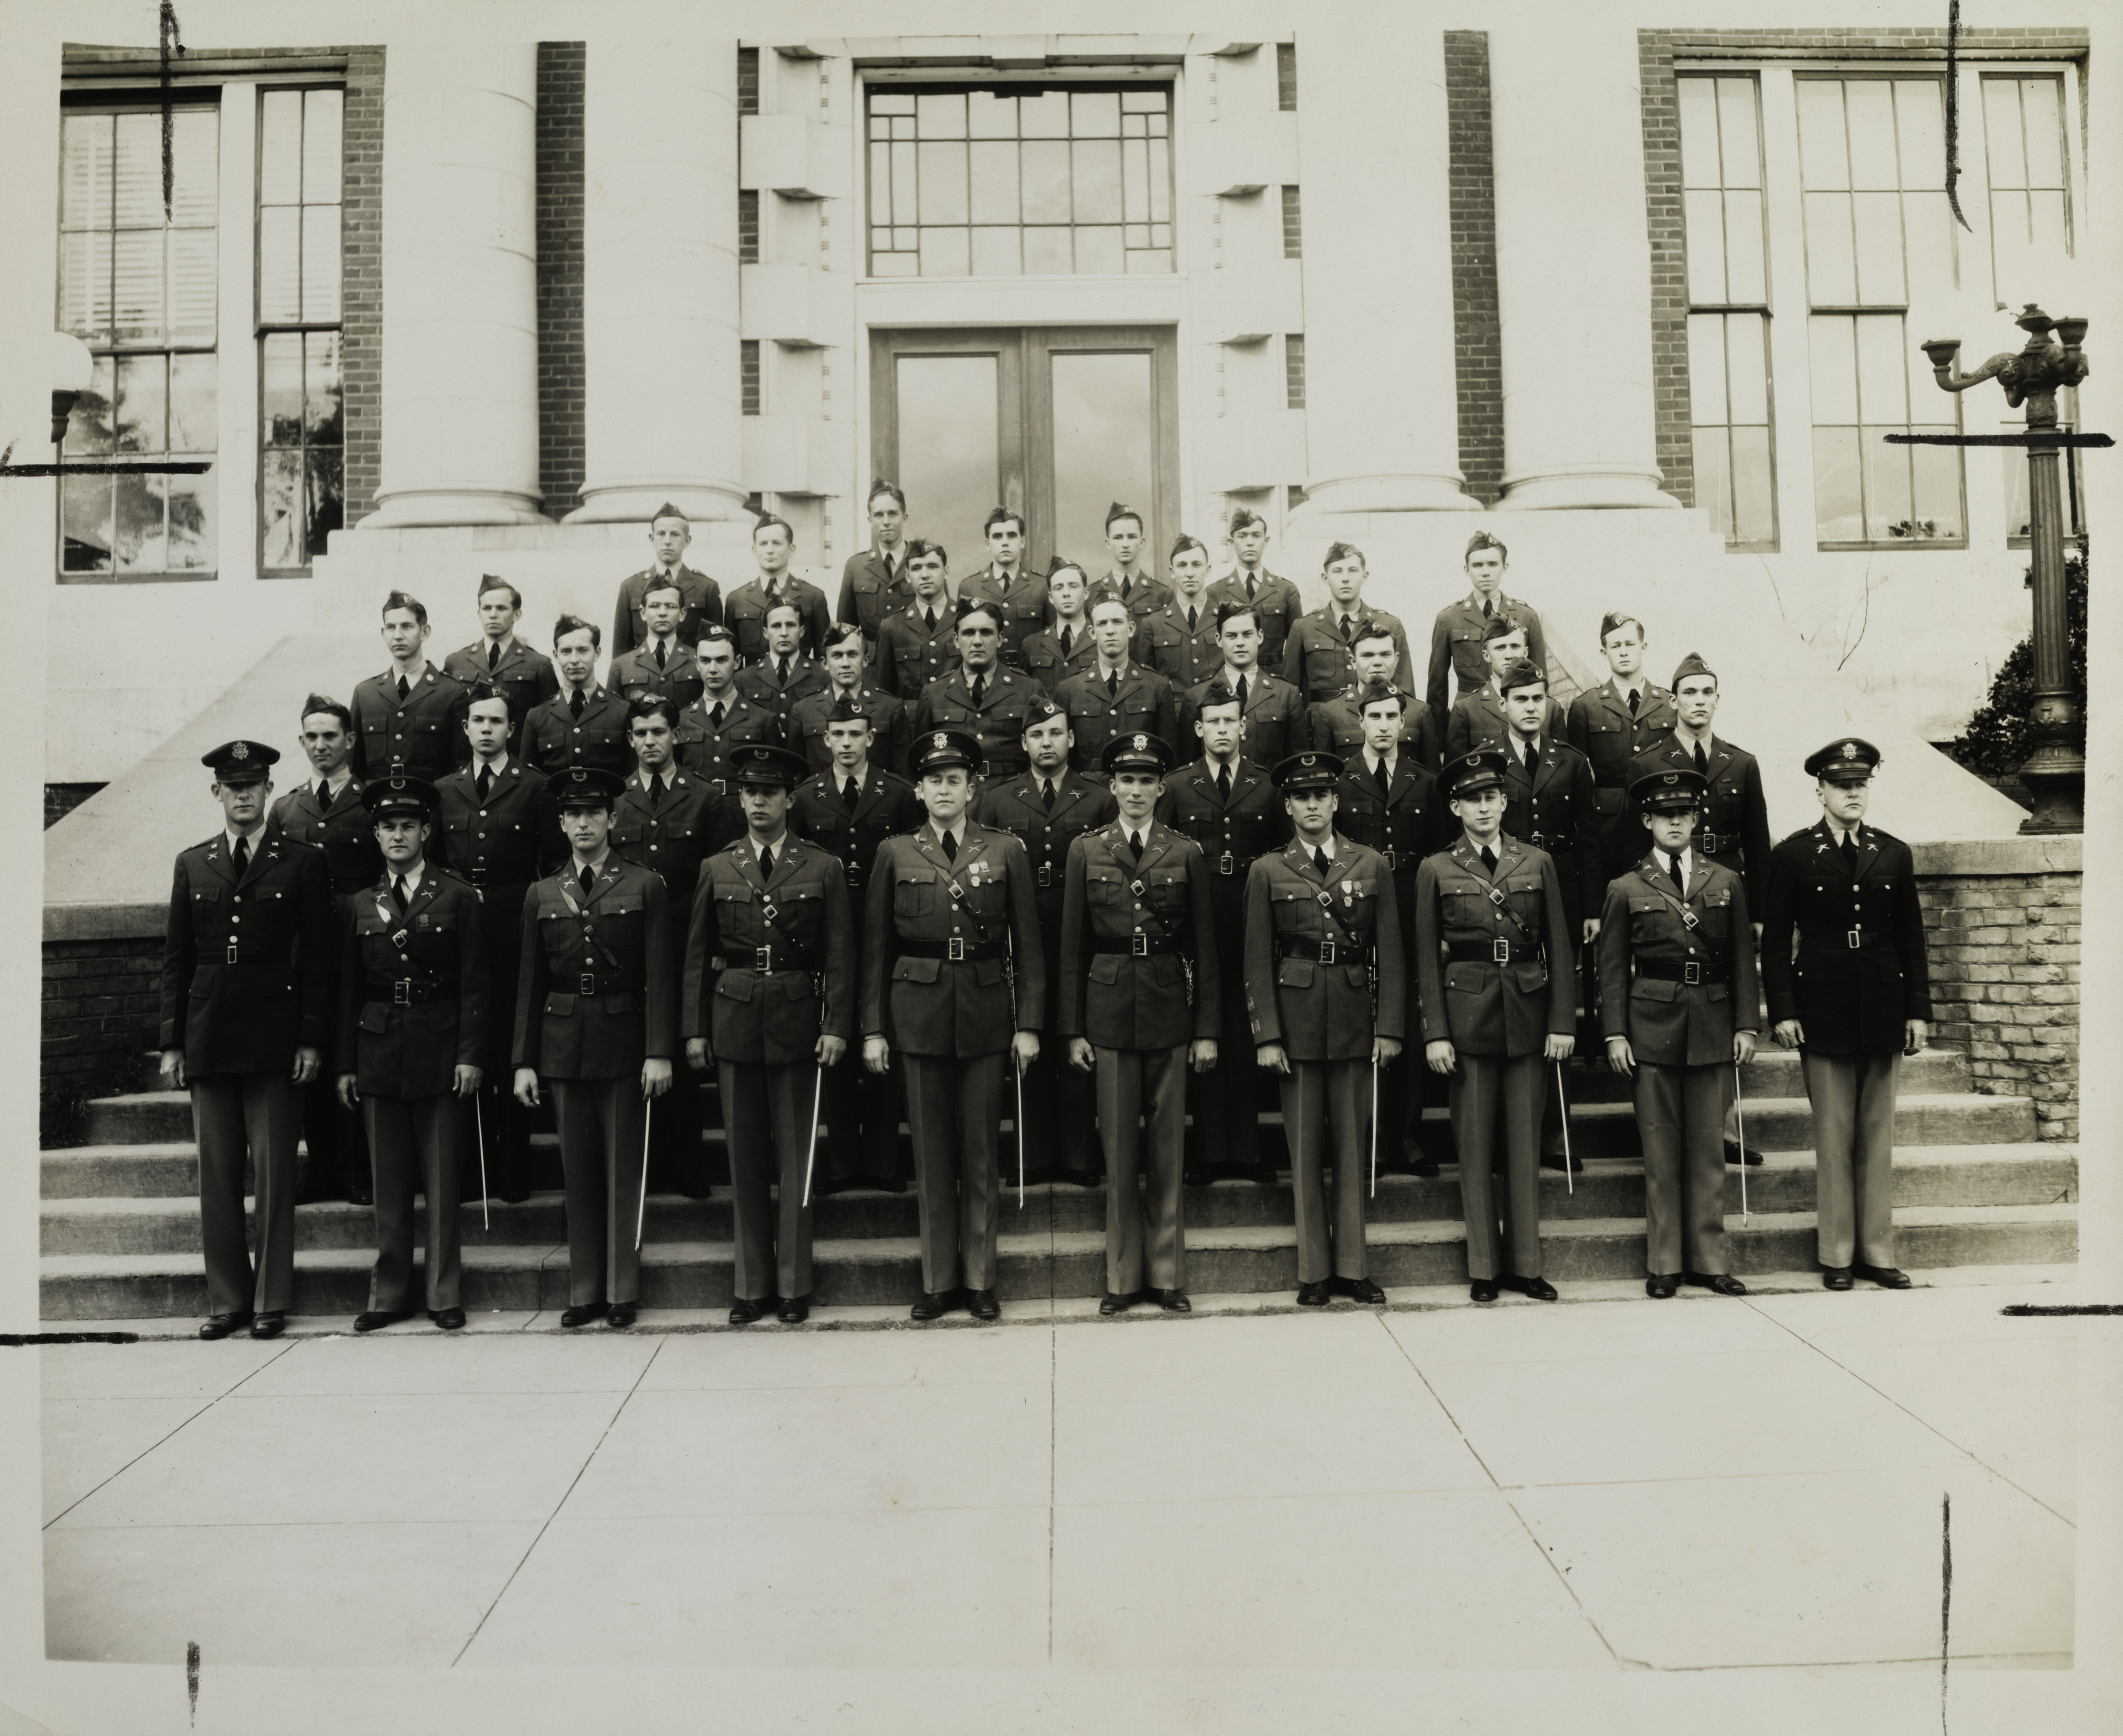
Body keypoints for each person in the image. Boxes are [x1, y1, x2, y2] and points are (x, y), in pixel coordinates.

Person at [860, 728, 1044, 1322]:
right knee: (932, 1156)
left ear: (972, 788)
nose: (944, 790)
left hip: (988, 1013)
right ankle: (938, 1280)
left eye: (954, 780)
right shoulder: (895, 852)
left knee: (981, 1155)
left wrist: (1029, 1024)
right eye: (934, 780)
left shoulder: (1005, 850)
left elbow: (1030, 946)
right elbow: (875, 949)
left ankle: (980, 1278)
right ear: (918, 789)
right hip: (916, 1016)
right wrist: (873, 1029)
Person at [158, 741, 333, 1341]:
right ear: (217, 794)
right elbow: (177, 960)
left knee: (276, 1175)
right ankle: (228, 1300)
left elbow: (317, 961)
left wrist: (310, 1039)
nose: (242, 795)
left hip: (274, 1036)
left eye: (253, 785)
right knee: (218, 1176)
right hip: (208, 1037)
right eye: (232, 786)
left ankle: (270, 1300)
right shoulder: (193, 863)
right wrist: (172, 1043)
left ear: (267, 791)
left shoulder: (301, 861)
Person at [683, 744, 854, 1325]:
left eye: (770, 793)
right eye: (750, 792)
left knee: (794, 1160)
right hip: (733, 1021)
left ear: (789, 800)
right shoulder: (717, 866)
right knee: (745, 1159)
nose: (759, 801)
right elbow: (696, 957)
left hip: (798, 1020)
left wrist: (836, 1026)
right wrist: (694, 1030)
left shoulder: (821, 866)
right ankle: (751, 1284)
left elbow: (839, 955)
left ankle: (792, 1285)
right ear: (740, 798)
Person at [512, 766, 678, 1330]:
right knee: (577, 1172)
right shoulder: (541, 892)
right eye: (573, 815)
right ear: (561, 823)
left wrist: (659, 1050)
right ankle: (585, 1289)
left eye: (594, 813)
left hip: (624, 1039)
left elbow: (660, 972)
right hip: (562, 1044)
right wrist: (524, 1060)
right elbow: (529, 984)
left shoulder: (644, 884)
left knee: (622, 1168)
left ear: (613, 819)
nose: (584, 823)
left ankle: (621, 1289)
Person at [1761, 738, 1930, 1293]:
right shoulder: (1792, 854)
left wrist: (1918, 1013)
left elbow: (1911, 938)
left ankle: (1876, 1252)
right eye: (1842, 784)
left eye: (1861, 783)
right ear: (1821, 790)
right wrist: (1783, 1010)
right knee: (1834, 1135)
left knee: (1877, 1136)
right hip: (1823, 1007)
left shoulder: (1893, 852)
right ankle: (1837, 1253)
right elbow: (1775, 942)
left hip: (1883, 1002)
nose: (1854, 792)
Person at [1059, 732, 1219, 1314]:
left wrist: (1205, 1030)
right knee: (1119, 1152)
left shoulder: (1185, 852)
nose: (1135, 791)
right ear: (1112, 786)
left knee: (1167, 1151)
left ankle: (1167, 1275)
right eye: (1125, 781)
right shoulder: (1087, 850)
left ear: (1160, 789)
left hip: (1167, 1007)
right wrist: (1073, 1028)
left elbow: (1203, 945)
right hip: (1106, 1010)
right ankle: (1123, 1278)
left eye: (1146, 781)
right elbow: (1072, 947)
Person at [1243, 751, 1404, 1307]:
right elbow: (1256, 959)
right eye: (1301, 797)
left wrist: (1390, 1028)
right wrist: (1266, 1035)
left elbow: (1392, 952)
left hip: (1358, 1021)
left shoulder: (1370, 863)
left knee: (1352, 1150)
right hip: (1297, 1026)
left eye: (1321, 796)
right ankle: (1313, 1270)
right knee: (1306, 1152)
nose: (1312, 805)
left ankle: (1353, 1267)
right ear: (1288, 806)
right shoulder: (1268, 869)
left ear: (1336, 802)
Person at [1415, 749, 1575, 1304]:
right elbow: (1424, 959)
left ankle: (1526, 1265)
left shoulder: (1537, 862)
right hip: (1467, 1017)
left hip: (1529, 1013)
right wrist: (1435, 1031)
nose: (1483, 808)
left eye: (1491, 798)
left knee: (1524, 1146)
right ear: (1455, 806)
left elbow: (1559, 942)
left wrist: (1562, 1021)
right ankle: (1484, 1266)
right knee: (1476, 1146)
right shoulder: (1435, 868)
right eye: (1471, 800)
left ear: (1505, 802)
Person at [334, 773, 488, 1333]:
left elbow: (476, 983)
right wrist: (346, 1063)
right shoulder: (358, 905)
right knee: (389, 1183)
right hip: (377, 1051)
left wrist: (470, 1054)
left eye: (407, 825)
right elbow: (347, 990)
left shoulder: (457, 896)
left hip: (440, 1048)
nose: (397, 836)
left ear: (427, 830)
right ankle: (390, 1294)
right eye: (387, 827)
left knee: (443, 1183)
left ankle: (444, 1292)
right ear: (375, 836)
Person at [1599, 770, 1758, 1299]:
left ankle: (1710, 1262)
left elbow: (1741, 959)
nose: (1674, 821)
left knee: (1708, 1153)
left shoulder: (1725, 880)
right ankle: (1665, 1262)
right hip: (1651, 1027)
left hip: (1712, 1023)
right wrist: (1615, 1034)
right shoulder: (1625, 887)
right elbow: (1612, 968)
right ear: (1647, 821)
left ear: (1695, 819)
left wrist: (1745, 1024)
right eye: (1664, 814)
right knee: (1661, 1153)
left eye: (1683, 814)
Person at [1626, 651, 1774, 1167]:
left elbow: (1758, 841)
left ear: (1717, 699)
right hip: (1669, 894)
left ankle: (1724, 1126)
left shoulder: (1742, 762)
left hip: (1724, 894)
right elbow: (1632, 845)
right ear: (1673, 701)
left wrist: (1758, 911)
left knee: (1725, 1000)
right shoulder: (1647, 764)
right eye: (1688, 692)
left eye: (1707, 692)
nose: (1698, 701)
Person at [974, 697, 1116, 1189]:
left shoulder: (1098, 797)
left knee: (1078, 1033)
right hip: (1021, 927)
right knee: (1026, 1030)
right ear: (1024, 743)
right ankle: (1032, 1155)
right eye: (1037, 735)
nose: (1047, 743)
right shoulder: (998, 798)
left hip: (1083, 929)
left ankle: (1078, 1157)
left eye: (1056, 733)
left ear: (1072, 738)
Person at [789, 695, 924, 1194]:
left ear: (872, 738)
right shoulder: (805, 797)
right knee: (838, 1045)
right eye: (838, 735)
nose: (847, 743)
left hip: (888, 929)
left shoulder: (899, 793)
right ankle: (844, 1164)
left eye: (856, 734)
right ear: (826, 740)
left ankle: (886, 1163)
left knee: (881, 1039)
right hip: (828, 934)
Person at [1157, 682, 1289, 1185]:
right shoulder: (1177, 785)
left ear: (1243, 725)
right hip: (1197, 913)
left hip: (1251, 914)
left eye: (1229, 721)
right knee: (1203, 1026)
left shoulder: (1266, 784)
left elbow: (1280, 856)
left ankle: (1249, 1149)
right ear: (1198, 728)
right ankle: (1211, 1152)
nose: (1221, 730)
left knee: (1244, 1027)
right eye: (1211, 721)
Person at [435, 683, 554, 1205]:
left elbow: (549, 865)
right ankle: (470, 1168)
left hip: (513, 931)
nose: (486, 730)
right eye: (478, 721)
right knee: (467, 1045)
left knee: (511, 1045)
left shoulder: (535, 786)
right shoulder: (444, 790)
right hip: (460, 933)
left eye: (496, 722)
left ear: (512, 730)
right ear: (466, 729)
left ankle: (512, 1168)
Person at [1333, 680, 1450, 1177]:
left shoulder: (1427, 782)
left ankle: (1406, 1137)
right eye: (1374, 716)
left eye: (1391, 717)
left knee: (1403, 1019)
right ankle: (1367, 1141)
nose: (1383, 726)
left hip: (1410, 907)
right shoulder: (1340, 781)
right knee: (1359, 1021)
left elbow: (1442, 858)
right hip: (1352, 913)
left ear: (1405, 724)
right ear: (1360, 721)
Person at [1495, 656, 1604, 1172]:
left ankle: (1556, 1133)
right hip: (1508, 890)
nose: (1531, 707)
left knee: (1559, 1003)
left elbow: (1589, 836)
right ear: (1503, 703)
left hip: (1560, 884)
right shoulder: (1487, 759)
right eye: (1521, 699)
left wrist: (1589, 907)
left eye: (1538, 698)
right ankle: (1509, 1136)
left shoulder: (1572, 760)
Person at [272, 694, 381, 1205]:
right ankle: (319, 1168)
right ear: (302, 742)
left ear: (351, 741)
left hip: (358, 947)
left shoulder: (372, 803)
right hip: (303, 954)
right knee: (311, 1058)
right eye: (312, 737)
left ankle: (356, 1168)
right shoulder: (286, 807)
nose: (321, 746)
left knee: (353, 1054)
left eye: (331, 736)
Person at [611, 695, 719, 1198]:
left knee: (680, 1052)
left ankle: (687, 1168)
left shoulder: (705, 797)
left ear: (677, 734)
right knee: (636, 1053)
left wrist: (715, 943)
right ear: (630, 739)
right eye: (641, 733)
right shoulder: (616, 798)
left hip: (685, 944)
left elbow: (720, 879)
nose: (650, 741)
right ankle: (646, 1171)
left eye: (659, 731)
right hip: (627, 947)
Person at [1564, 612, 1677, 883]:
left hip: (1659, 822)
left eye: (1630, 644)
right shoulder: (1586, 707)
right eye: (1616, 647)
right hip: (1607, 831)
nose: (1623, 652)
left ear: (1644, 647)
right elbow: (1576, 780)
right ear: (1605, 653)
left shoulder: (1669, 703)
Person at [1425, 530, 1550, 741]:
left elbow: (1542, 679)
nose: (1485, 572)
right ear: (1466, 570)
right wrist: (1439, 741)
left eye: (1493, 565)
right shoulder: (1449, 618)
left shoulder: (1526, 617)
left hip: (1518, 719)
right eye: (1478, 565)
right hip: (1470, 723)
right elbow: (1437, 688)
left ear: (1505, 567)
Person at [910, 600, 1042, 784]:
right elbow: (922, 761)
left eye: (986, 633)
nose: (977, 642)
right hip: (959, 801)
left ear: (1000, 639)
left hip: (1014, 798)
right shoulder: (934, 694)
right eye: (969, 633)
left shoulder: (1028, 689)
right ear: (957, 640)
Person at [673, 623, 782, 845]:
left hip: (743, 824)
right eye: (705, 661)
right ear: (696, 663)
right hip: (693, 821)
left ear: (738, 662)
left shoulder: (762, 720)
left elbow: (777, 783)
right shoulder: (681, 721)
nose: (713, 669)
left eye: (722, 660)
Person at [350, 590, 473, 782]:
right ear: (383, 633)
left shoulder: (452, 693)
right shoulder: (365, 694)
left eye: (407, 627)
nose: (398, 636)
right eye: (391, 628)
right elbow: (355, 770)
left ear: (424, 632)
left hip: (431, 808)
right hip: (378, 808)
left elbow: (462, 770)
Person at [1054, 595, 1182, 779]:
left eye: (1117, 622)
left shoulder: (1157, 687)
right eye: (1102, 624)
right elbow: (1066, 761)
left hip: (1139, 790)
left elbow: (1170, 761)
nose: (1110, 631)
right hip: (1087, 795)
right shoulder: (1071, 689)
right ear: (1091, 632)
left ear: (1131, 629)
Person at [1282, 542, 1413, 704]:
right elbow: (1289, 694)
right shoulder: (1304, 627)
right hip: (1321, 725)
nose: (1345, 579)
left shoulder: (1390, 624)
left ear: (1365, 577)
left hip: (1376, 720)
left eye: (1353, 571)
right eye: (1337, 572)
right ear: (1325, 578)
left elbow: (1406, 691)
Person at [442, 576, 560, 756]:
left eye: (501, 608)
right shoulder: (456, 662)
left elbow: (550, 726)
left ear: (517, 615)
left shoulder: (539, 665)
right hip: (467, 768)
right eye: (487, 608)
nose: (493, 615)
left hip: (518, 768)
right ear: (479, 613)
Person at [1186, 600, 1307, 770]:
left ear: (1260, 636)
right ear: (1219, 640)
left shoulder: (1287, 694)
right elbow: (1188, 767)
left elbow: (1297, 764)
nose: (1240, 643)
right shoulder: (1196, 696)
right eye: (1232, 636)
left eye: (1247, 634)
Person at [1307, 620, 1442, 771]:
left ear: (1396, 659)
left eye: (1385, 655)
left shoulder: (1419, 712)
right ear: (1353, 661)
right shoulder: (1331, 713)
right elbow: (1324, 776)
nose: (1377, 662)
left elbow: (1432, 778)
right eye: (1368, 655)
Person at [788, 620, 911, 777]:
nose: (845, 664)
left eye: (852, 655)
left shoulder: (891, 708)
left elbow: (904, 777)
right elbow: (797, 778)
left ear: (865, 660)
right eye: (837, 656)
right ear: (825, 663)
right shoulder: (804, 710)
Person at [522, 614, 632, 780]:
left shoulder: (623, 711)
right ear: (556, 655)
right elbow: (528, 782)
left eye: (583, 650)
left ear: (597, 653)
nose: (574, 660)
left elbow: (633, 776)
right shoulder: (537, 717)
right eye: (566, 652)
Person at [1444, 614, 1568, 762]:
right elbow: (1457, 774)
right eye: (1500, 648)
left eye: (1515, 647)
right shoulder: (1466, 710)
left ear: (1526, 652)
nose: (1509, 655)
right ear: (1486, 656)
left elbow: (1564, 767)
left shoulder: (1551, 708)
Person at [610, 502, 723, 659]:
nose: (668, 541)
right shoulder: (631, 588)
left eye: (675, 535)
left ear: (687, 541)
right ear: (652, 539)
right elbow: (620, 652)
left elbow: (717, 647)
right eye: (661, 534)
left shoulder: (707, 588)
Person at [724, 514, 833, 667]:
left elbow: (824, 657)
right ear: (754, 551)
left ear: (791, 550)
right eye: (763, 544)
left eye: (777, 543)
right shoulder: (737, 600)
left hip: (802, 684)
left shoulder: (813, 596)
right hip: (752, 686)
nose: (770, 550)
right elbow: (730, 659)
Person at [1206, 505, 1304, 671]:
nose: (1250, 543)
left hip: (1275, 685)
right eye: (1242, 536)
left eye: (1256, 536)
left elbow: (1297, 648)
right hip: (1231, 686)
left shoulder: (1287, 591)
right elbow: (1211, 649)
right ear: (1232, 542)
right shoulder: (1215, 592)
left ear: (1266, 541)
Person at [960, 507, 1051, 671]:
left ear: (1022, 542)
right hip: (987, 676)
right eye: (997, 536)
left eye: (1012, 535)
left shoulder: (1042, 586)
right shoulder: (970, 587)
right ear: (988, 544)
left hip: (1031, 675)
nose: (1005, 542)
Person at [872, 539, 960, 703]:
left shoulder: (966, 619)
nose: (925, 575)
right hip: (912, 724)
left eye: (933, 567)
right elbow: (885, 694)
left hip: (957, 720)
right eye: (917, 568)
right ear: (908, 576)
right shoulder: (892, 627)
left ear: (946, 572)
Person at [734, 599, 830, 743]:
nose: (784, 633)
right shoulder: (744, 680)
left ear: (802, 631)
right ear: (766, 633)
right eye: (776, 626)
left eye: (791, 625)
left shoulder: (823, 676)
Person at [837, 480, 914, 660]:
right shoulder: (856, 567)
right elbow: (846, 629)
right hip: (872, 667)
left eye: (893, 514)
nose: (886, 522)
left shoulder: (922, 562)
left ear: (905, 518)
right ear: (870, 520)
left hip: (914, 664)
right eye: (879, 515)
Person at [607, 574, 706, 709]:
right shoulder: (621, 666)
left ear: (682, 614)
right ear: (643, 613)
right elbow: (615, 718)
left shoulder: (700, 661)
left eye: (671, 606)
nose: (662, 613)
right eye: (654, 606)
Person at [1141, 535, 1224, 694]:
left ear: (1208, 570)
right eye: (1182, 566)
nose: (1190, 573)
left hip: (1217, 712)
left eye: (1197, 565)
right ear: (1172, 572)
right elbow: (1146, 683)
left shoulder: (1226, 619)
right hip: (1173, 715)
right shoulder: (1154, 624)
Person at [1085, 502, 1171, 635]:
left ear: (1142, 542)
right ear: (1108, 543)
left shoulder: (1162, 595)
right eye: (1118, 538)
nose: (1125, 544)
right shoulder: (1092, 595)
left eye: (1132, 537)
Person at [1021, 560, 1103, 695]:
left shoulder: (1102, 639)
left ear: (1087, 593)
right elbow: (1025, 697)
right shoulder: (1032, 645)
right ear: (1051, 597)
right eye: (1059, 588)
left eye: (1073, 587)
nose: (1066, 594)